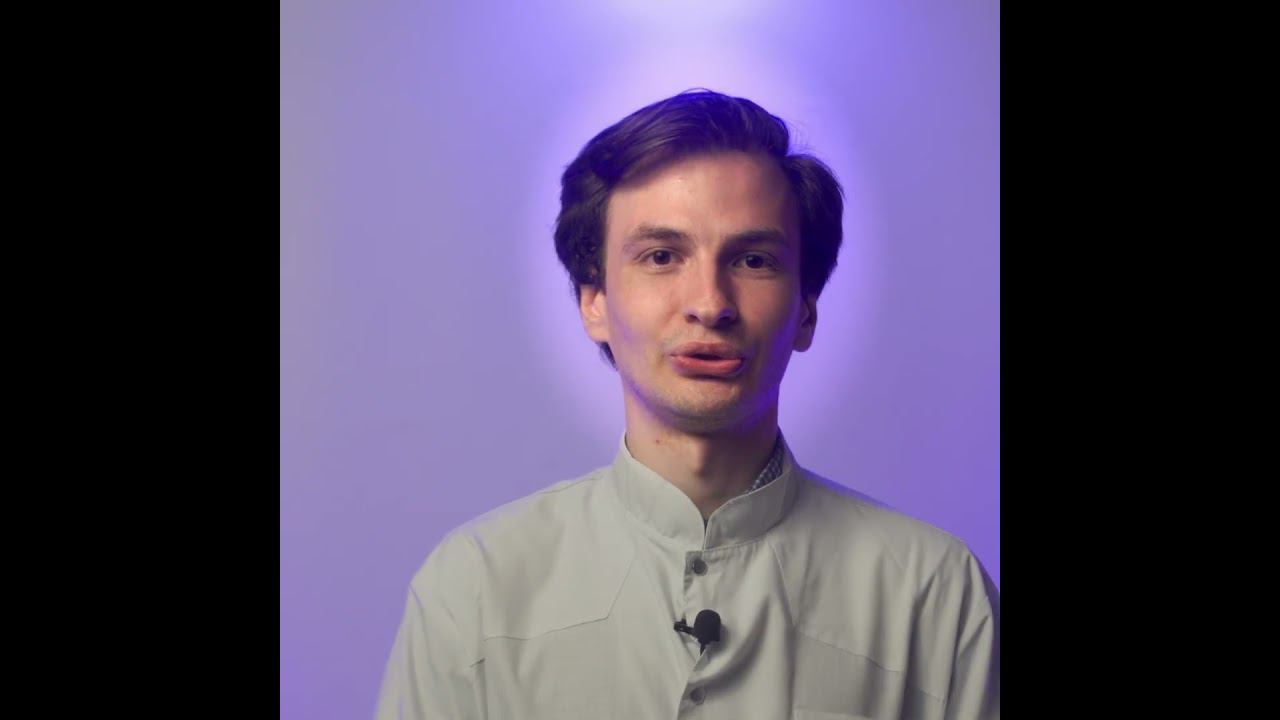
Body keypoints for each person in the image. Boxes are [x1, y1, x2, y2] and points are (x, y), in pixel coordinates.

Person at [375, 89, 999, 720]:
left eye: (753, 260)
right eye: (662, 257)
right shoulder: (474, 590)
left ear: (806, 310)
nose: (710, 303)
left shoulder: (935, 596)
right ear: (594, 301)